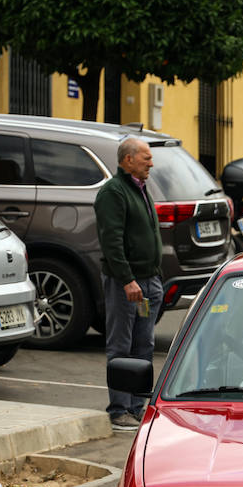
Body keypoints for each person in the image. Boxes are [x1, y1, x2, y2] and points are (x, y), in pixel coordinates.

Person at [96, 136, 164, 432]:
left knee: (143, 344)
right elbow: (111, 241)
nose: (151, 162)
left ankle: (137, 407)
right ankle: (119, 409)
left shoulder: (140, 188)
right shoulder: (114, 192)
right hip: (129, 285)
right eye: (146, 157)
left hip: (148, 283)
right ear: (128, 160)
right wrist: (127, 280)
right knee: (121, 346)